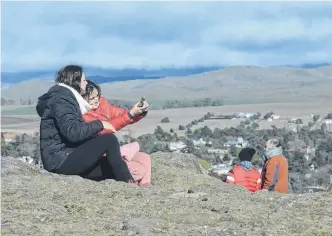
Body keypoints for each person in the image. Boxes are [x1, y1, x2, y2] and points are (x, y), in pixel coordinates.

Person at [36, 65, 135, 184]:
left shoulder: (65, 97)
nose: (86, 82)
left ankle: (130, 185)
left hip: (65, 156)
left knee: (111, 167)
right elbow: (73, 133)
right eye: (83, 80)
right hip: (59, 161)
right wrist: (100, 124)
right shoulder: (61, 100)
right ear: (75, 82)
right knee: (109, 140)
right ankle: (130, 188)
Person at [83, 80, 151, 187]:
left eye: (97, 96)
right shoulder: (83, 116)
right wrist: (130, 114)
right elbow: (107, 129)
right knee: (139, 170)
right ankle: (133, 188)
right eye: (91, 98)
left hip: (114, 153)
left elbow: (124, 115)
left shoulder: (104, 106)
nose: (96, 100)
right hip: (102, 158)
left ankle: (144, 187)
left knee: (144, 157)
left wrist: (140, 112)